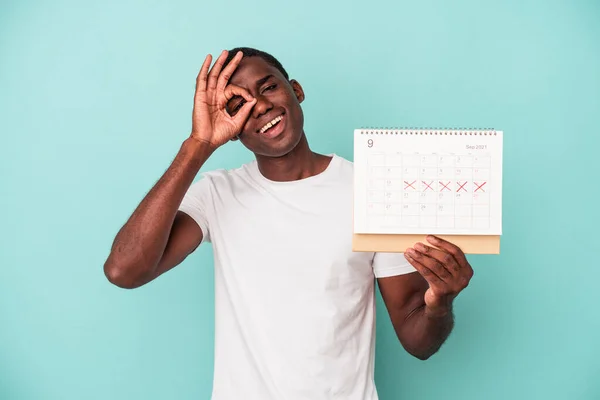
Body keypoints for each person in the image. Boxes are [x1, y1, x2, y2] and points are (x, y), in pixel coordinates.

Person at [103, 47, 474, 400]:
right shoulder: (217, 194)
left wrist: (440, 301)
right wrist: (198, 143)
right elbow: (124, 270)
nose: (261, 105)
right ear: (229, 124)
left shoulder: (371, 192)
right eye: (239, 104)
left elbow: (417, 339)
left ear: (295, 90)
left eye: (268, 87)